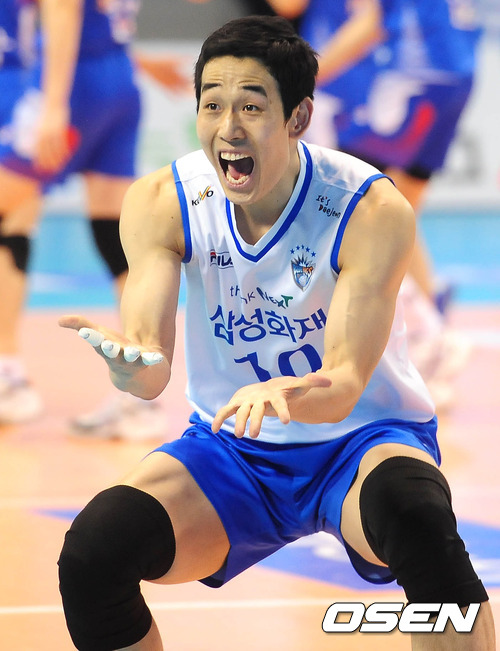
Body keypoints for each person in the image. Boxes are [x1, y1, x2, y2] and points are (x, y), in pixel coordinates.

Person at [57, 16, 495, 650]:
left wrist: (285, 394)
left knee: (418, 519)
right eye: (212, 105)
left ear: (298, 117)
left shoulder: (368, 208)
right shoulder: (163, 201)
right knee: (93, 556)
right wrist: (133, 369)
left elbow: (344, 384)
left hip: (360, 441)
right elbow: (151, 370)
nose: (228, 127)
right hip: (236, 448)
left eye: (251, 106)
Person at [268, 0, 482, 408]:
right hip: (452, 66)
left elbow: (366, 20)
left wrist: (300, 79)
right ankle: (429, 336)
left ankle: (426, 337)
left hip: (404, 71)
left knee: (356, 212)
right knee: (395, 211)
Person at [0, 0, 167, 438]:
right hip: (118, 78)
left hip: (70, 85)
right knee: (116, 239)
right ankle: (140, 398)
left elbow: (64, 9)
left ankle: (8, 377)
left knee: (10, 217)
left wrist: (54, 105)